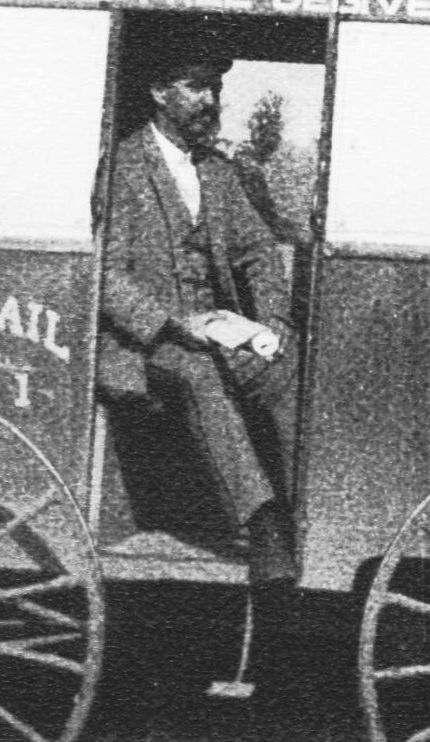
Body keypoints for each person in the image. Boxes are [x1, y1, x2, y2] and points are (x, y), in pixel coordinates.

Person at [96, 36, 300, 588]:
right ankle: (261, 528)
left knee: (286, 367)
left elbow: (258, 250)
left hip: (215, 331)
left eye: (215, 86)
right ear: (160, 92)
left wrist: (274, 322)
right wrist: (170, 323)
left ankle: (297, 507)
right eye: (196, 86)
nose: (210, 99)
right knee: (199, 375)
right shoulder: (121, 170)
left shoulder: (216, 171)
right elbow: (104, 275)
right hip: (142, 344)